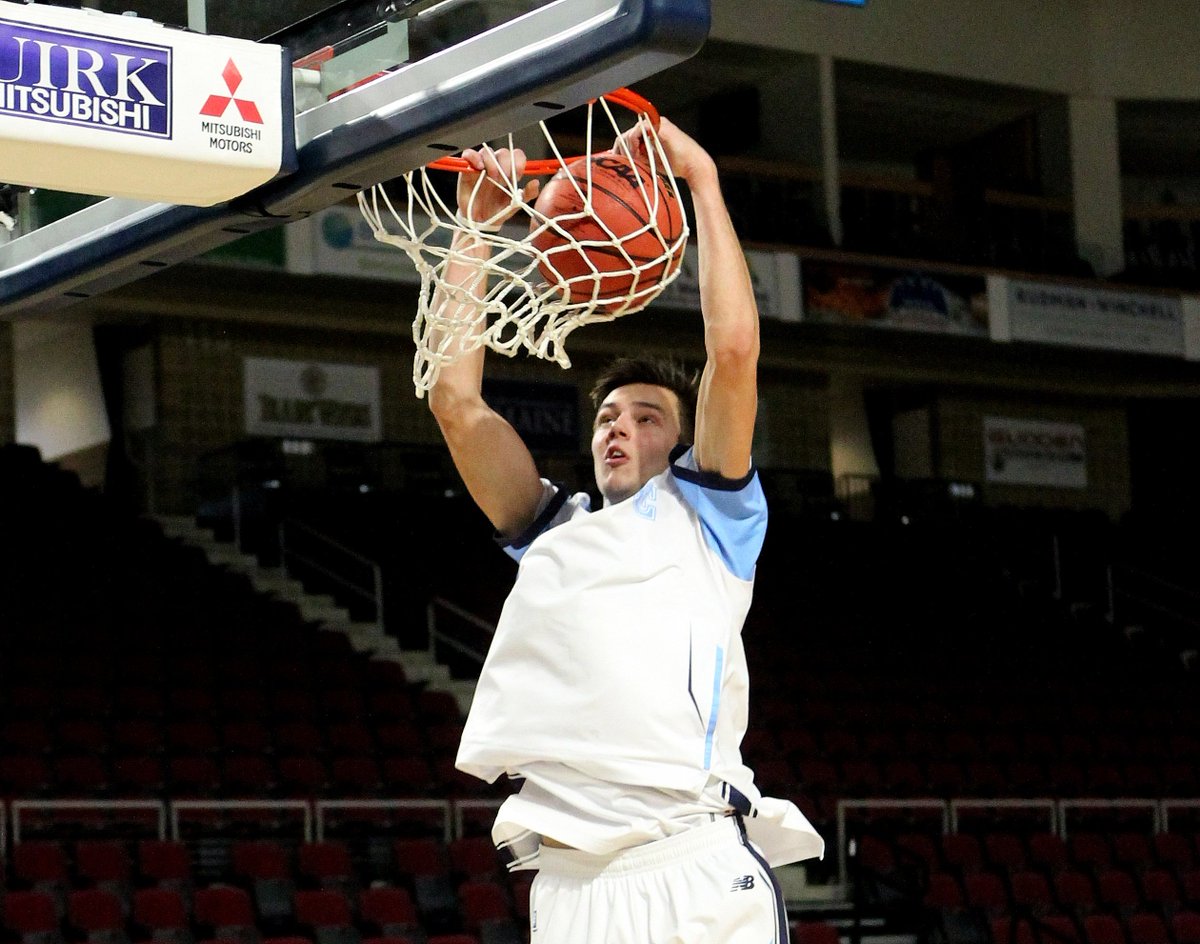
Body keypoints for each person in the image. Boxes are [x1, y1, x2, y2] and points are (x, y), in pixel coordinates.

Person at [425, 118, 823, 943]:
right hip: (570, 884)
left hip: (693, 860)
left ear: (680, 444)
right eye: (608, 415)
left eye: (646, 418)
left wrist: (704, 184)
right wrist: (473, 230)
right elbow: (456, 406)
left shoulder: (708, 514)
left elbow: (736, 351)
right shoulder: (551, 531)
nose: (618, 427)